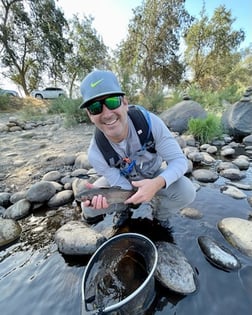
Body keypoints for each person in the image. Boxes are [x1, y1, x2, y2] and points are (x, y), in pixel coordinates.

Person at [79, 69, 196, 224]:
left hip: (154, 175)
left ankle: (159, 215)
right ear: (90, 115)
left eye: (112, 102)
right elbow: (120, 185)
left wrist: (156, 184)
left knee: (187, 192)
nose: (106, 114)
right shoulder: (96, 153)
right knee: (88, 207)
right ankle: (124, 210)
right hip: (123, 183)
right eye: (95, 108)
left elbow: (179, 162)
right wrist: (108, 197)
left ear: (125, 103)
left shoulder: (150, 123)